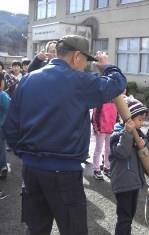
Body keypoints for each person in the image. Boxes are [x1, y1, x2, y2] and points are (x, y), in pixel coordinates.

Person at [3, 34, 127, 235]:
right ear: (77, 56)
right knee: (73, 229)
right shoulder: (79, 81)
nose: (86, 65)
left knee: (36, 229)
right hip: (64, 173)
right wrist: (107, 66)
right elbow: (117, 83)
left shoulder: (28, 79)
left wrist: (25, 154)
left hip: (31, 170)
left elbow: (10, 126)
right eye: (86, 60)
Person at [109, 96, 148, 235]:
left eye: (144, 119)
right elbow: (122, 153)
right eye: (140, 119)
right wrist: (127, 133)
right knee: (124, 217)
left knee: (129, 216)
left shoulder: (138, 134)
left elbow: (144, 154)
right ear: (129, 119)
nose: (142, 123)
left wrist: (144, 145)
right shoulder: (116, 134)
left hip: (134, 182)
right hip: (123, 183)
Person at [91, 101, 117, 180]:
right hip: (101, 129)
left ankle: (107, 167)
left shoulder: (115, 101)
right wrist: (96, 128)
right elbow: (95, 115)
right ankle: (96, 169)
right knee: (98, 149)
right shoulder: (100, 100)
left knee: (108, 149)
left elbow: (116, 115)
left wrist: (115, 126)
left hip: (110, 129)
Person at [0, 72, 11, 179]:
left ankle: (3, 166)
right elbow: (11, 110)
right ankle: (2, 166)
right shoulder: (3, 95)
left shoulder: (2, 95)